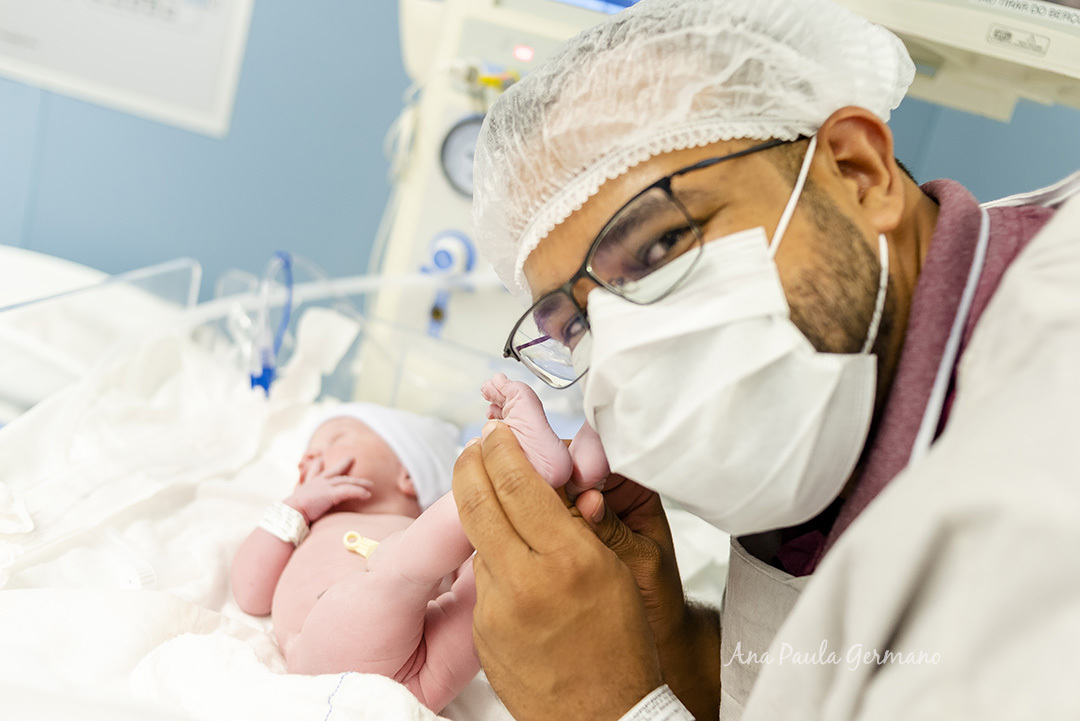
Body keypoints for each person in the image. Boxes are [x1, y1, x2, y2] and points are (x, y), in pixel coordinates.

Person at [451, 0, 1080, 719]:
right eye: (578, 325)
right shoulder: (848, 411)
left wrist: (606, 706)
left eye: (661, 247)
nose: (626, 350)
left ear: (857, 170)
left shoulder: (1051, 418)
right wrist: (680, 655)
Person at [230, 383, 606, 712]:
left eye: (337, 439)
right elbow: (250, 593)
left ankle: (559, 490)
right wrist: (292, 511)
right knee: (406, 572)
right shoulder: (310, 526)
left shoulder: (421, 532)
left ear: (407, 476)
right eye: (308, 455)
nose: (308, 458)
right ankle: (536, 479)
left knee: (490, 580)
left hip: (423, 684)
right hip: (330, 660)